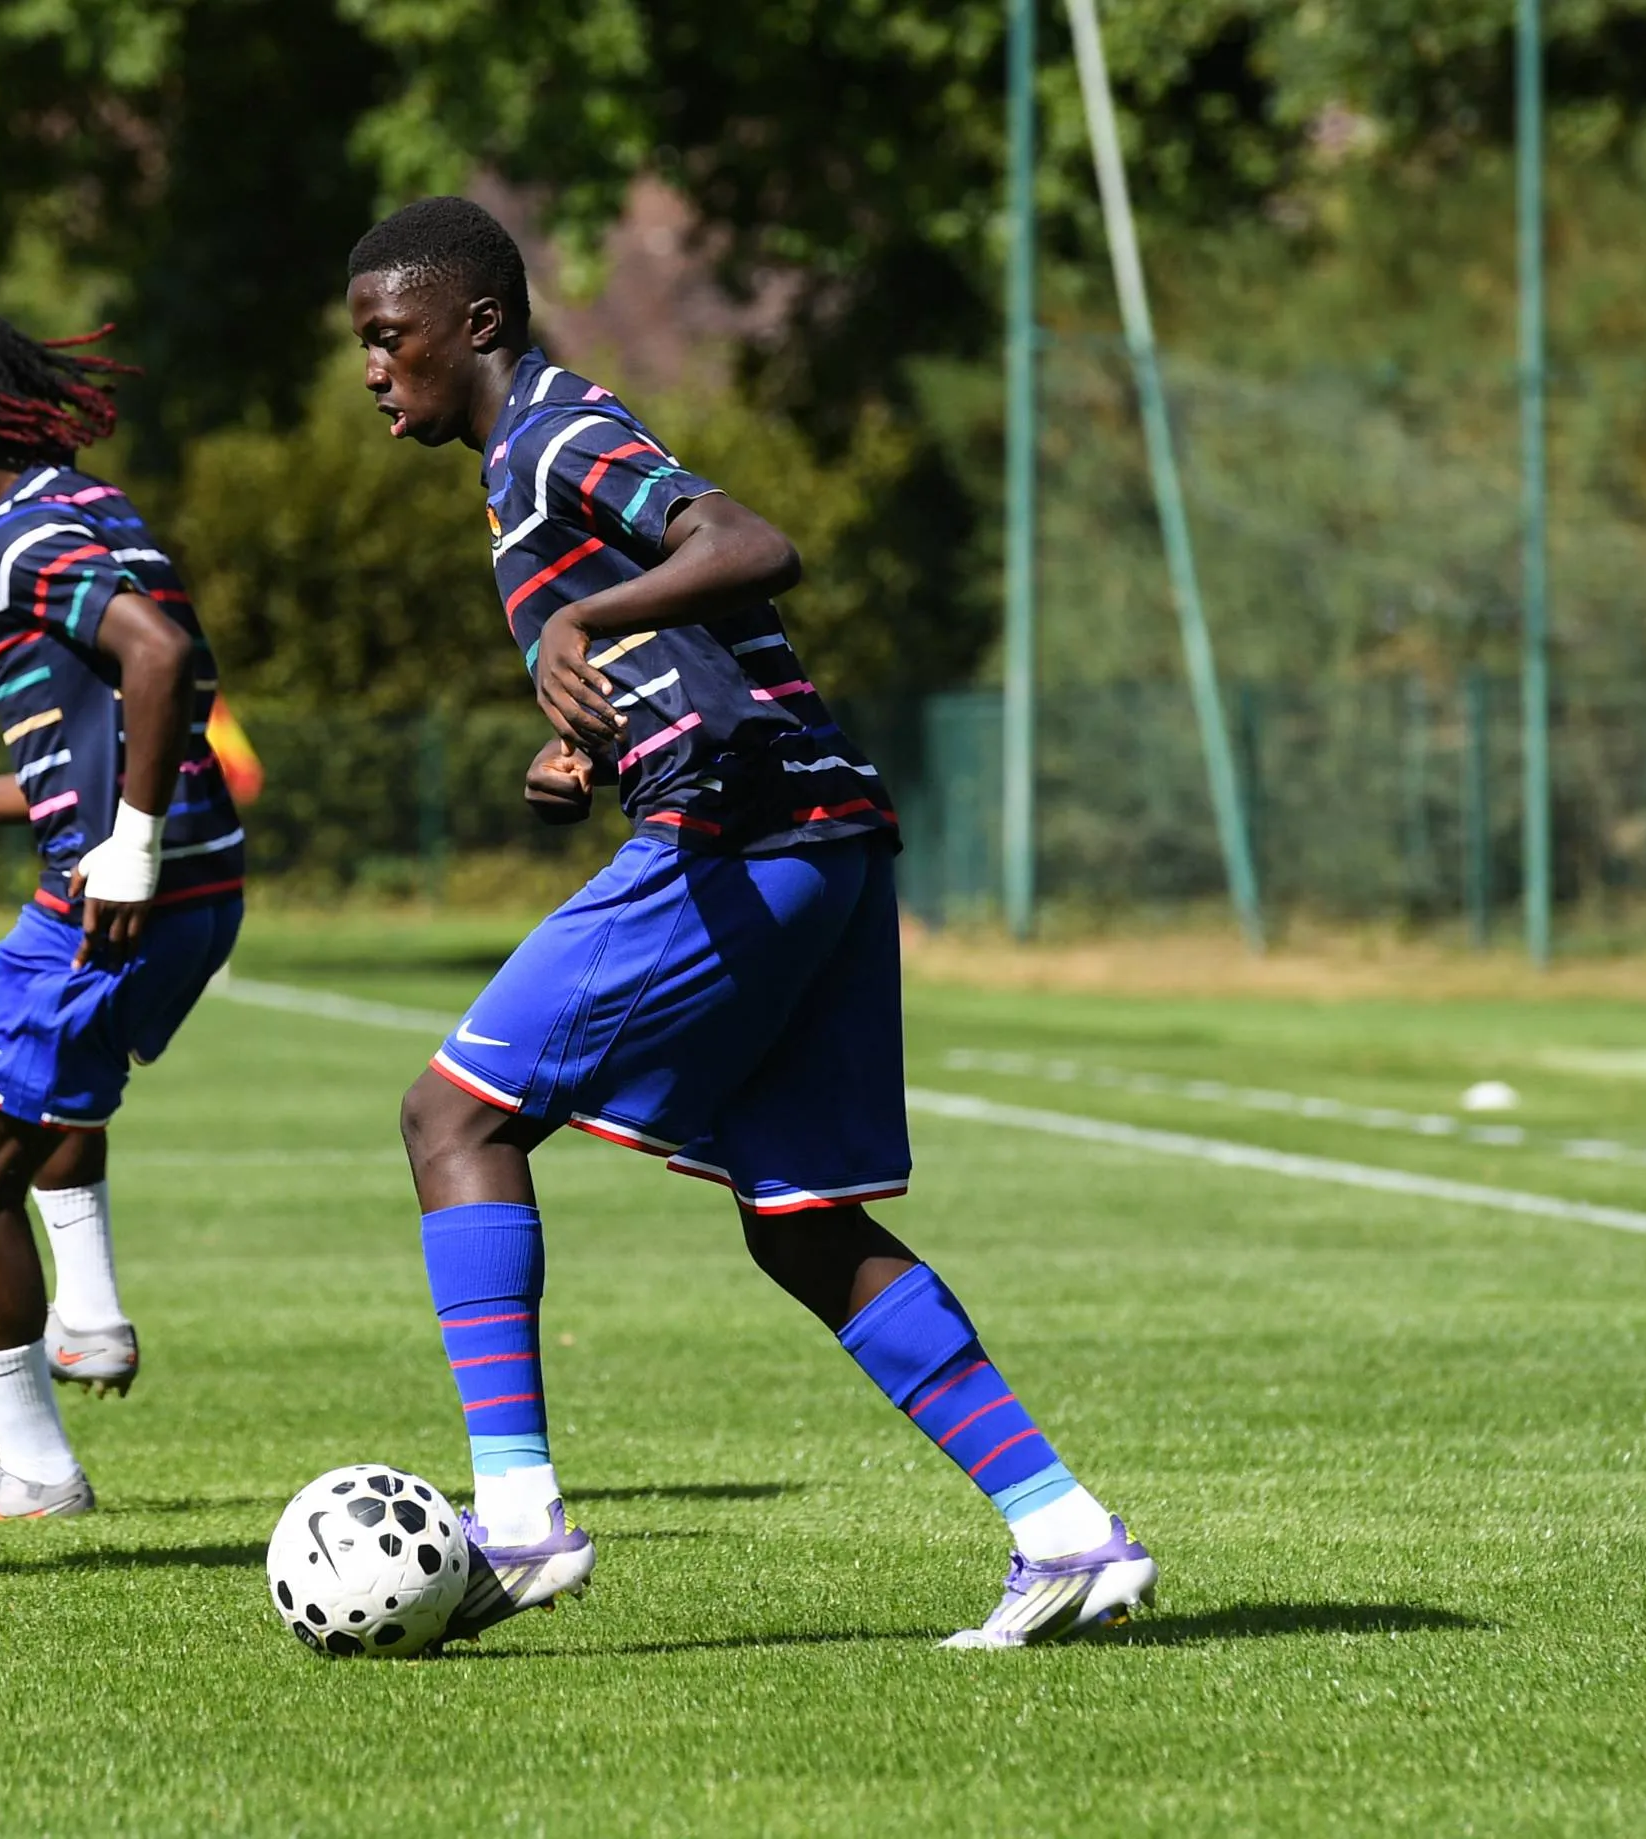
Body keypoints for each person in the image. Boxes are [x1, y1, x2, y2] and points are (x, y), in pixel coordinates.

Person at [344, 197, 1154, 1648]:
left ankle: (516, 1518)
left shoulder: (551, 432)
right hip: (818, 831)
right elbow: (704, 663)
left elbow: (745, 540)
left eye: (385, 335)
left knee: (447, 1117)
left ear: (471, 322)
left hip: (746, 838)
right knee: (795, 1219)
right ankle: (1064, 1530)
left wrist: (584, 628)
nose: (369, 366)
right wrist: (588, 745)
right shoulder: (519, 467)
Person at [0, 308, 247, 1521]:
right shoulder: (99, 508)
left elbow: (159, 659)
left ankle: (32, 1470)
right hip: (199, 878)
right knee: (40, 1095)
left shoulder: (17, 536)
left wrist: (120, 852)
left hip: (124, 890)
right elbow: (112, 719)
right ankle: (89, 1319)